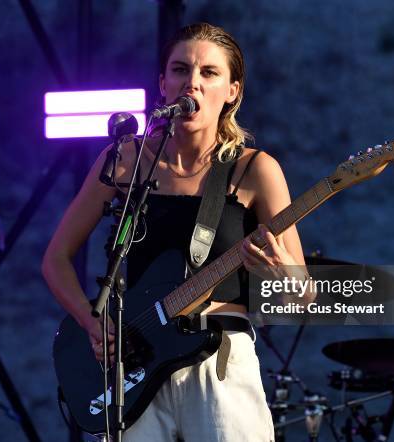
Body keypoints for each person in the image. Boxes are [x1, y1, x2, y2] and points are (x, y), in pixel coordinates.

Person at [42, 22, 311, 442]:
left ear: (232, 91)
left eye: (209, 73)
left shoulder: (254, 169)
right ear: (163, 84)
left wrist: (280, 271)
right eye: (181, 70)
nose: (193, 83)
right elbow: (56, 259)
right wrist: (91, 321)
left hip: (219, 361)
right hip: (136, 361)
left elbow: (304, 292)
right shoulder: (124, 161)